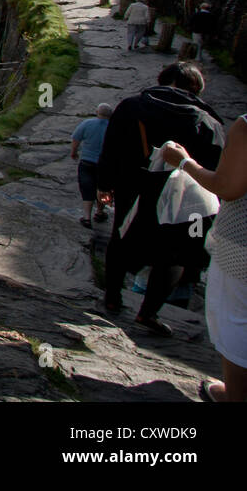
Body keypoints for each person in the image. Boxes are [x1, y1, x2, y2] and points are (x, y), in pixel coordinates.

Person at [97, 62, 225, 335]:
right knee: (174, 253)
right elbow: (215, 166)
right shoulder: (207, 121)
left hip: (133, 186)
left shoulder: (131, 106)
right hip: (182, 198)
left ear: (162, 79)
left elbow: (111, 148)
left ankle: (111, 298)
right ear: (196, 88)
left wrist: (104, 185)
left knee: (121, 237)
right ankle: (148, 313)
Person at [161, 114, 247, 401]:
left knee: (235, 317)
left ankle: (234, 395)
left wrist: (184, 162)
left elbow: (227, 187)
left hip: (241, 246)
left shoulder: (245, 126)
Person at [73, 103, 114, 227]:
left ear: (97, 112)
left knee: (86, 188)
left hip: (87, 162)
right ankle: (100, 212)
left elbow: (76, 138)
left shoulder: (87, 123)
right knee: (104, 189)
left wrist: (73, 152)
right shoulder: (114, 128)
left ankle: (86, 217)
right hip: (105, 165)